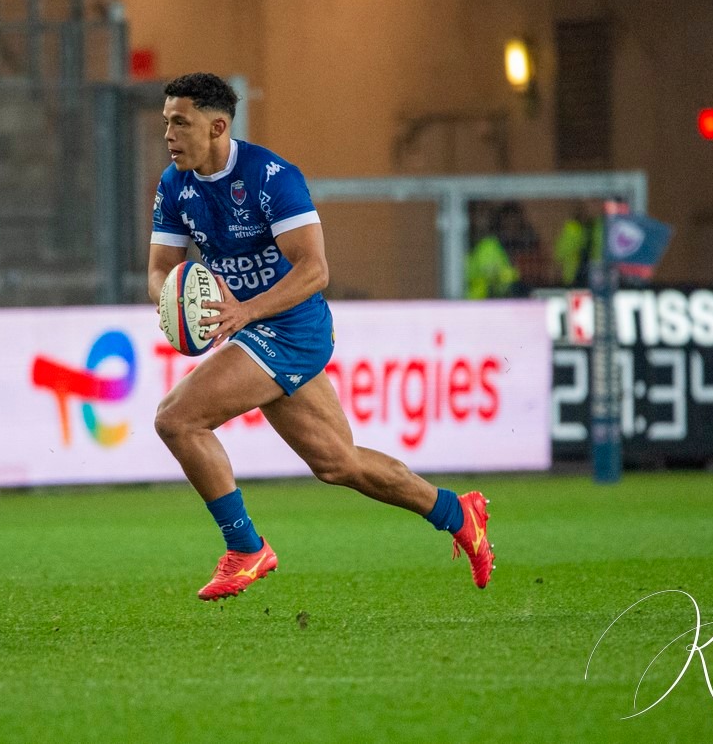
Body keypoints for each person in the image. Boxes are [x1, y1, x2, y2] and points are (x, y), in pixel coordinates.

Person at [148, 73, 494, 600]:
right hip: (255, 328)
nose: (169, 134)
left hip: (292, 328)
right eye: (166, 122)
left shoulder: (271, 177)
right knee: (338, 463)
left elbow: (314, 269)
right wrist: (171, 300)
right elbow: (160, 270)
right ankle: (457, 512)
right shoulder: (176, 185)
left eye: (180, 122)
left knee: (176, 418)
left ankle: (245, 547)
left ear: (217, 126)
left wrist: (244, 311)